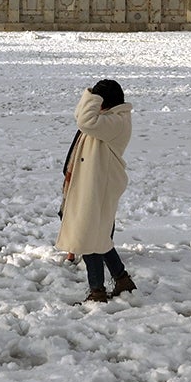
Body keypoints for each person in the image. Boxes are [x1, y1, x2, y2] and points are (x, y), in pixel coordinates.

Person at [57, 80, 137, 303]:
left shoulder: (115, 121)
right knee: (99, 237)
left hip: (99, 186)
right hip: (95, 185)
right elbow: (80, 116)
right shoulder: (108, 119)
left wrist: (93, 97)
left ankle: (97, 291)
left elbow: (84, 120)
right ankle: (122, 279)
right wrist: (91, 96)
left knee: (89, 238)